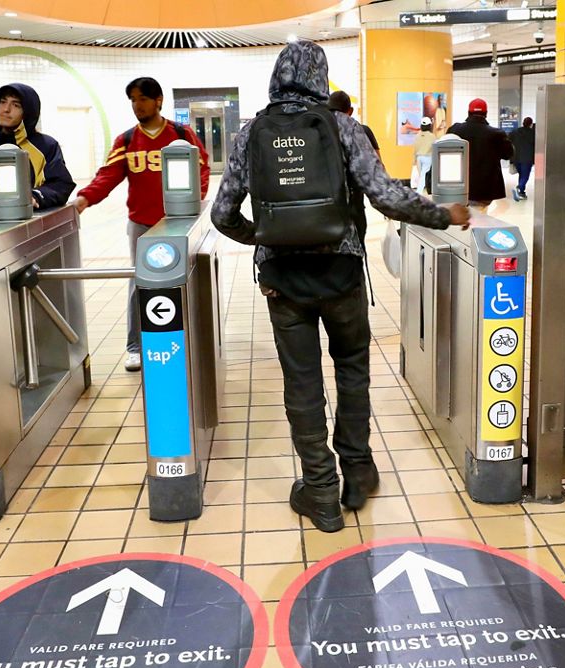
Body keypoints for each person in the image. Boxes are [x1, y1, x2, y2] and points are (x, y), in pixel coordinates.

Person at [211, 41, 470, 533]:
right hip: (342, 273)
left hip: (283, 283)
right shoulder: (343, 126)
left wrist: (263, 238)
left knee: (301, 382)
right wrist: (442, 213)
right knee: (353, 369)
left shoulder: (250, 135)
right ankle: (357, 473)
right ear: (319, 77)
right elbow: (386, 196)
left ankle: (320, 491)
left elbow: (223, 215)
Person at [75, 77, 211, 372]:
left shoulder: (180, 134)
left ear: (158, 100)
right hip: (141, 225)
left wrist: (197, 201)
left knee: (183, 278)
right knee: (139, 282)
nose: (137, 106)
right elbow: (108, 175)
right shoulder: (126, 140)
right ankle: (135, 346)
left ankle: (186, 338)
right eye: (133, 100)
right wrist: (85, 199)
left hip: (178, 222)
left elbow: (202, 165)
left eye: (143, 99)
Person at [0, 83, 75, 229]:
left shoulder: (44, 146)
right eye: (2, 102)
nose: (6, 109)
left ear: (28, 112)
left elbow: (62, 185)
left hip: (22, 228)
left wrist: (35, 196)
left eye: (16, 105)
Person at [448, 98, 513, 208]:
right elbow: (508, 154)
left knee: (462, 217)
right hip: (484, 188)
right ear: (486, 114)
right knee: (478, 217)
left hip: (457, 186)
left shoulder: (455, 130)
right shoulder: (496, 134)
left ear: (469, 113)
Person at [509, 117, 536, 201]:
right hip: (527, 158)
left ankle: (522, 191)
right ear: (531, 124)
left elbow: (508, 141)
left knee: (521, 174)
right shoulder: (533, 133)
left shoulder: (515, 131)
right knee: (525, 176)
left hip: (516, 157)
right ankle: (520, 189)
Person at [414, 117, 436, 192]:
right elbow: (435, 148)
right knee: (424, 176)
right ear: (429, 126)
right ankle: (418, 193)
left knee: (421, 176)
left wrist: (414, 160)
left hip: (419, 158)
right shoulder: (432, 136)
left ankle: (420, 191)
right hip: (428, 158)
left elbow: (415, 148)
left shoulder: (417, 136)